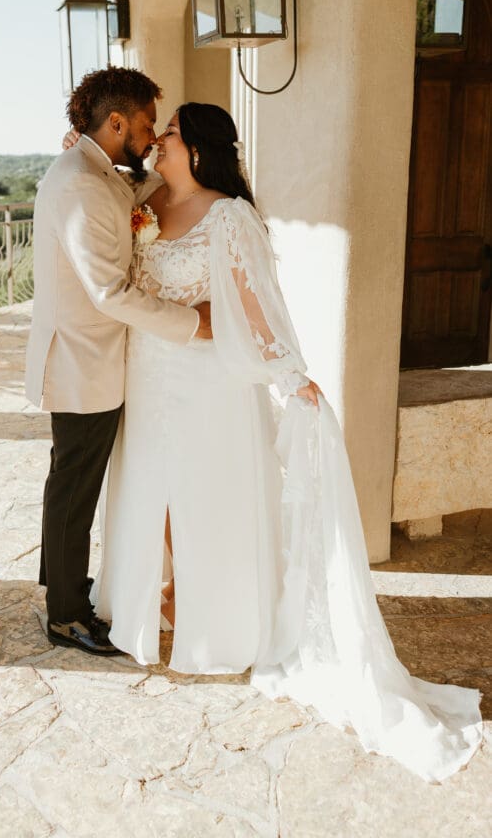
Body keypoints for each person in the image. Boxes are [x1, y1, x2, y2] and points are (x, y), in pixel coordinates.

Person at [85, 101, 482, 782]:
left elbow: (254, 306)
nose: (160, 142)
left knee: (206, 497)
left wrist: (289, 376)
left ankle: (217, 620)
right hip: (148, 379)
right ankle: (168, 597)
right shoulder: (143, 202)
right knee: (151, 489)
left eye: (172, 133)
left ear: (200, 149)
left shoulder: (229, 216)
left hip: (207, 387)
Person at [25, 68, 212, 658]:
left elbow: (119, 203)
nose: (152, 135)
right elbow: (108, 291)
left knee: (70, 481)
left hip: (90, 357)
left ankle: (62, 584)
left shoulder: (93, 172)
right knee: (74, 489)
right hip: (82, 361)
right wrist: (190, 323)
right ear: (116, 122)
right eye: (146, 124)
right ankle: (65, 618)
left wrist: (159, 174)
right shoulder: (79, 181)